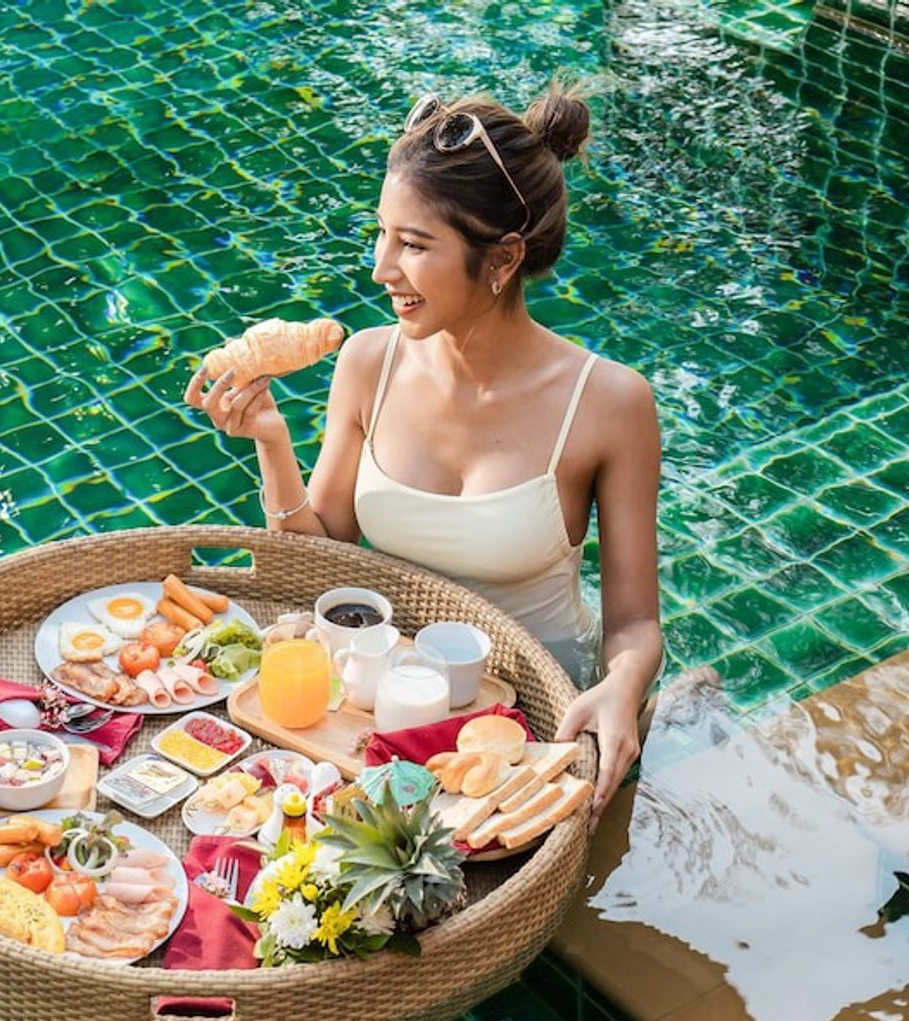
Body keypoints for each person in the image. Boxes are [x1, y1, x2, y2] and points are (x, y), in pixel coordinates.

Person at [184, 83, 664, 828]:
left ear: (502, 257)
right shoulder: (368, 364)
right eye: (381, 234)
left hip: (536, 726)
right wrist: (272, 445)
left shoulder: (608, 403)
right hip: (390, 708)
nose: (381, 268)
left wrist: (622, 689)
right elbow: (318, 563)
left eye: (412, 244)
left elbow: (634, 622)